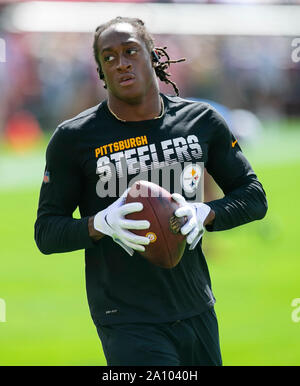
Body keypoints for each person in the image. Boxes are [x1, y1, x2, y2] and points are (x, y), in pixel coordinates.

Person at [34, 16, 268, 366]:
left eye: (130, 51)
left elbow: (254, 196)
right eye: (108, 57)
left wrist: (207, 212)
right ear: (100, 71)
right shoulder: (74, 138)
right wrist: (101, 224)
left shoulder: (201, 121)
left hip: (196, 305)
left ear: (153, 57)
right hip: (125, 318)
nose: (121, 63)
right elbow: (46, 232)